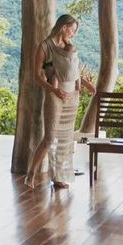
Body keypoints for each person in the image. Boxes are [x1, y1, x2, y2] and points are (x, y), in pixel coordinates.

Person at [23, 14, 95, 191]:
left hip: (72, 97)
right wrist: (54, 90)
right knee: (49, 138)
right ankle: (30, 173)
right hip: (55, 96)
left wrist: (86, 84)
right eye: (72, 30)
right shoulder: (45, 47)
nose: (73, 34)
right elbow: (37, 76)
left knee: (65, 139)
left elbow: (74, 71)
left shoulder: (69, 47)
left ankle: (58, 177)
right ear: (64, 27)